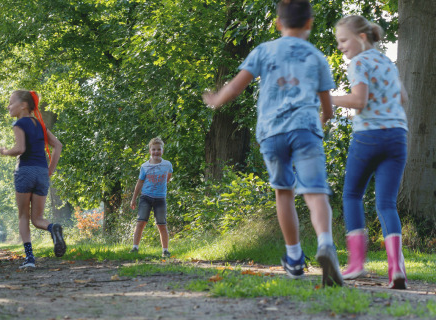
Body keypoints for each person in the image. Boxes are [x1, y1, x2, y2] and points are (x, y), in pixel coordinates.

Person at [203, 0, 343, 287]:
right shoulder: (317, 57)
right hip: (305, 130)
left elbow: (236, 85)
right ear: (309, 23)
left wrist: (216, 100)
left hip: (272, 132)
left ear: (278, 23)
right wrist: (322, 120)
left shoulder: (263, 50)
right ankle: (326, 243)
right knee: (315, 191)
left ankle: (294, 258)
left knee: (284, 192)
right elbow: (327, 108)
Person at [332, 15, 409, 289]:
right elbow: (403, 98)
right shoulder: (387, 62)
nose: (341, 46)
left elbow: (359, 101)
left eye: (343, 40)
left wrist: (327, 98)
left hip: (369, 137)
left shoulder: (359, 63)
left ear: (361, 38)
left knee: (352, 195)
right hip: (398, 136)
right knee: (386, 203)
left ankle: (356, 264)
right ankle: (396, 267)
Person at [0, 90, 66, 269]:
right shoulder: (40, 125)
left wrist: (5, 152)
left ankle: (29, 259)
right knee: (38, 219)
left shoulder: (19, 123)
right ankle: (53, 228)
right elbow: (57, 145)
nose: (8, 106)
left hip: (25, 171)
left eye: (11, 102)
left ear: (23, 106)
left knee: (24, 216)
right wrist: (50, 169)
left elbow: (20, 148)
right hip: (41, 173)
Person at [130, 137, 173, 258]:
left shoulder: (167, 165)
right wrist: (133, 199)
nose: (156, 152)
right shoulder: (145, 166)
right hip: (146, 197)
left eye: (158, 149)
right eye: (153, 149)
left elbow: (168, 177)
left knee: (162, 224)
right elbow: (139, 182)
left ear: (162, 151)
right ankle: (135, 247)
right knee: (141, 222)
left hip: (160, 198)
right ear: (150, 151)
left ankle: (165, 250)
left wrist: (162, 187)